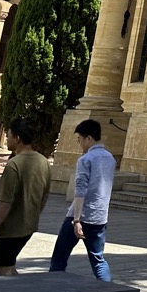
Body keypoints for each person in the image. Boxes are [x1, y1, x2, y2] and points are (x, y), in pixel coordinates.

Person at [49, 118, 116, 281]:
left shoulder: (85, 159)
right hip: (100, 216)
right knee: (98, 259)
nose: (79, 143)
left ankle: (51, 289)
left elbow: (80, 191)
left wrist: (77, 220)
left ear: (89, 138)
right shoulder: (110, 158)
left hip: (79, 215)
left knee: (59, 258)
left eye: (80, 139)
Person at [0, 118, 51, 276]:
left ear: (17, 138)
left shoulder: (14, 164)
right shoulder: (43, 161)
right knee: (9, 264)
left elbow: (5, 202)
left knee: (3, 268)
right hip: (29, 225)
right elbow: (44, 195)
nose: (7, 139)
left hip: (11, 229)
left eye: (8, 136)